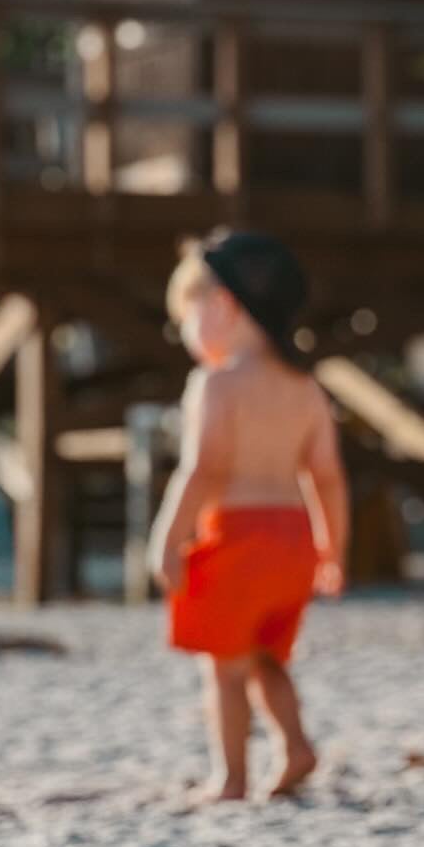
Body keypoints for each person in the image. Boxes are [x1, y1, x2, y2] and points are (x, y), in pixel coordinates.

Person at [150, 230, 349, 803]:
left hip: (236, 536)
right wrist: (333, 549)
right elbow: (327, 476)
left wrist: (168, 537)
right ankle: (295, 745)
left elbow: (203, 469)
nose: (186, 336)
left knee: (224, 668)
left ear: (222, 307)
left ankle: (230, 778)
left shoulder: (216, 384)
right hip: (293, 541)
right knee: (265, 657)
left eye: (186, 320)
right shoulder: (304, 387)